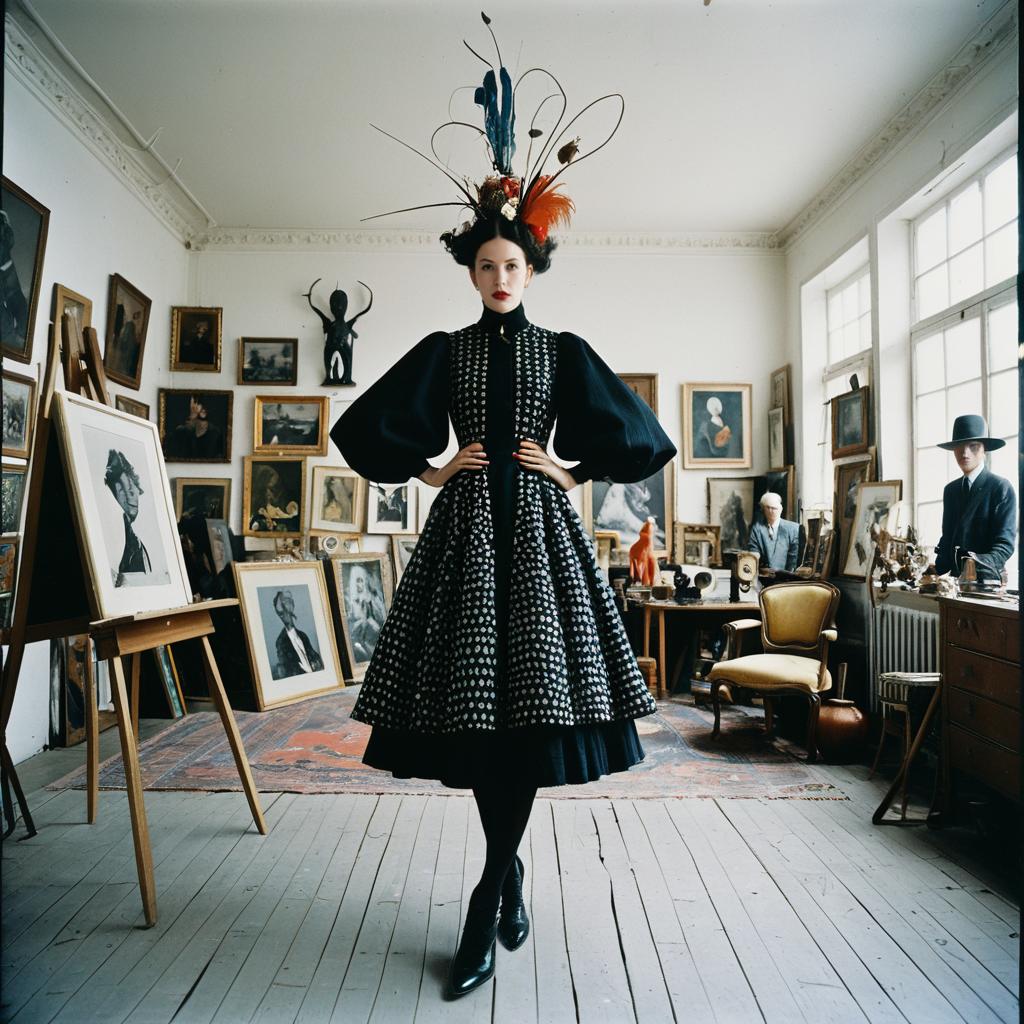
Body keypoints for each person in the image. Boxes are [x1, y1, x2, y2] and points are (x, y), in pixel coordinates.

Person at [330, 26, 675, 995]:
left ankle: (490, 887)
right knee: (479, 718)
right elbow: (365, 428)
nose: (498, 279)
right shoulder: (447, 348)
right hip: (466, 538)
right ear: (470, 273)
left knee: (529, 715)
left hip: (542, 539)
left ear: (530, 269)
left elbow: (640, 436)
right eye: (484, 267)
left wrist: (573, 473)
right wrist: (433, 470)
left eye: (511, 267)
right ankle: (502, 878)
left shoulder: (563, 349)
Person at [933, 414, 1016, 581]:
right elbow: (947, 537)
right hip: (954, 584)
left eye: (973, 446)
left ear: (984, 449)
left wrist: (974, 565)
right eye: (959, 446)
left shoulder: (1000, 487)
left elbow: (1005, 545)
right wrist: (935, 570)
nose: (965, 453)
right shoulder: (951, 490)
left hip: (988, 583)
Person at [104, 449, 151, 585]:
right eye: (120, 489)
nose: (129, 494)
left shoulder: (135, 541)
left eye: (131, 487)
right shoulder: (112, 536)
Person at [272, 589, 324, 679]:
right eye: (286, 601)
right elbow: (287, 671)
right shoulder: (281, 641)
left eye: (291, 601)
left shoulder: (303, 636)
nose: (290, 603)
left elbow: (316, 659)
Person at [747, 491, 799, 571]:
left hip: (786, 578)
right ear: (763, 509)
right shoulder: (757, 529)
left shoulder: (793, 529)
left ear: (781, 508)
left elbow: (794, 558)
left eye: (775, 508)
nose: (771, 511)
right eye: (768, 507)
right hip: (763, 577)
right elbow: (753, 553)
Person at [166, 395, 223, 460]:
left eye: (197, 403)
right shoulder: (181, 431)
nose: (194, 406)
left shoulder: (215, 433)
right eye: (194, 402)